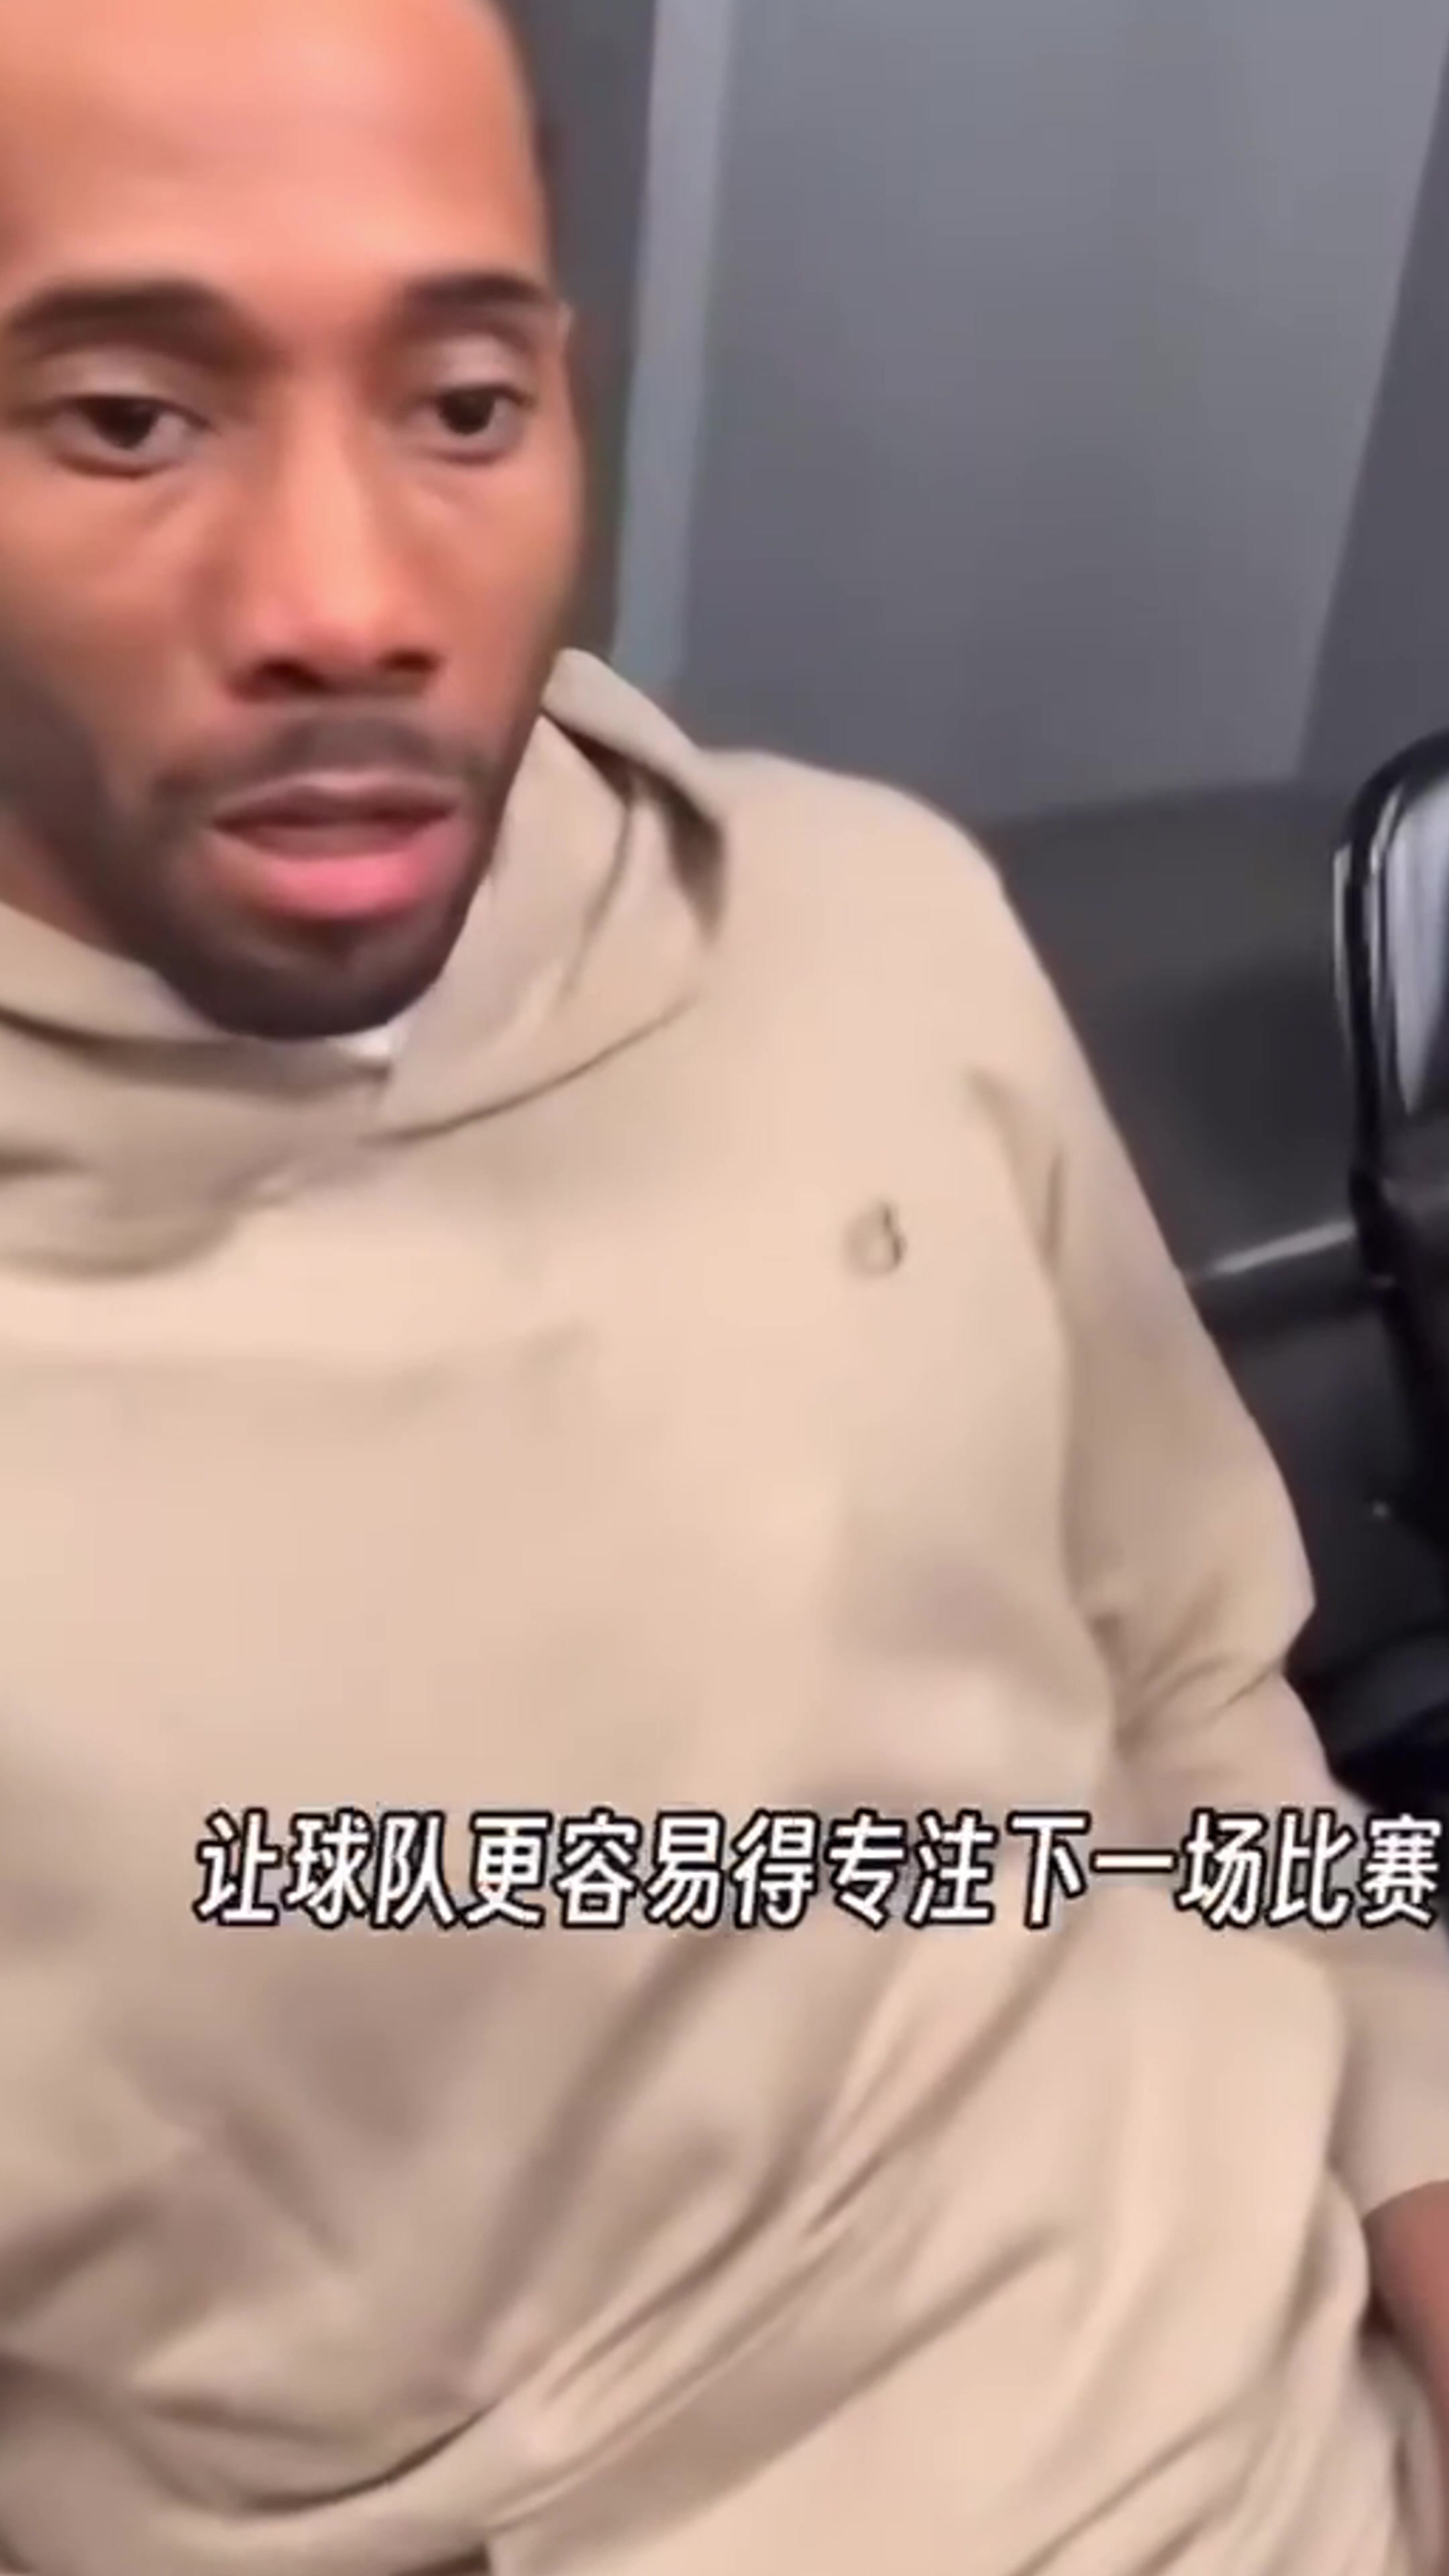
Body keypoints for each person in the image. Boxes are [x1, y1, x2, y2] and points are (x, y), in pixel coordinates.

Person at [0, 1, 1446, 2570]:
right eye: (130, 417)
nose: (347, 601)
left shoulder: (872, 932)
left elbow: (1206, 1710)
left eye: (460, 405)